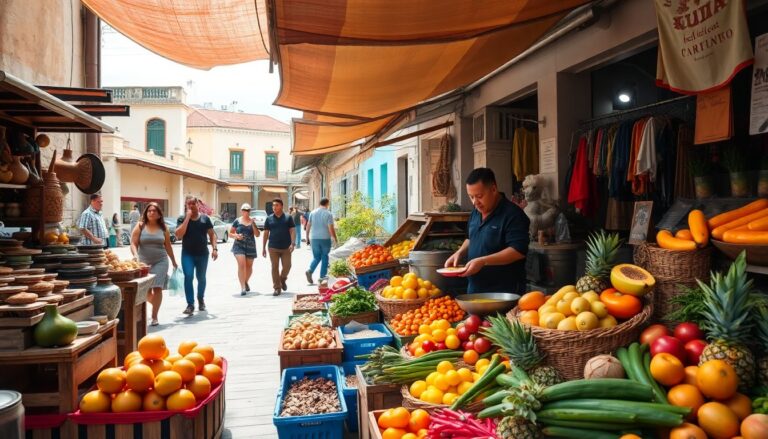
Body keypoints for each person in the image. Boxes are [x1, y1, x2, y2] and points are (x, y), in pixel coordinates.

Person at [445, 168, 530, 294]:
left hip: (504, 294)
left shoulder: (513, 215)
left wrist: (483, 261)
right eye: (471, 197)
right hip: (474, 290)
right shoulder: (475, 213)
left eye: (479, 196)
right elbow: (470, 238)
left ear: (494, 189)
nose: (475, 202)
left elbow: (518, 251)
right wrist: (460, 252)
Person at [130, 202, 178, 326]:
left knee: (158, 288)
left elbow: (168, 246)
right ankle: (153, 302)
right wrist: (135, 255)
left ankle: (154, 316)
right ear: (146, 213)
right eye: (149, 211)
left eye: (154, 211)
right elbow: (133, 243)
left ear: (158, 214)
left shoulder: (164, 228)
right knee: (146, 290)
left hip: (161, 261)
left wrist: (173, 261)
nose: (151, 213)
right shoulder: (140, 226)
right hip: (143, 262)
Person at [175, 196, 218, 315]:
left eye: (193, 203)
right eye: (188, 204)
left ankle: (200, 298)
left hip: (202, 254)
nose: (191, 206)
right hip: (187, 254)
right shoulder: (182, 219)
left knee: (201, 278)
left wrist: (214, 248)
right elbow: (179, 235)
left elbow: (212, 234)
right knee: (188, 276)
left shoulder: (205, 219)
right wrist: (187, 217)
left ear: (198, 204)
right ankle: (190, 304)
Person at [262, 198, 295, 296]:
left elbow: (293, 231)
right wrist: (263, 247)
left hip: (286, 248)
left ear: (281, 206)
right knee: (274, 267)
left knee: (287, 266)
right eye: (273, 205)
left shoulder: (288, 218)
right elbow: (265, 234)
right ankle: (277, 288)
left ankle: (282, 279)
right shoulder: (269, 218)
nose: (274, 207)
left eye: (276, 205)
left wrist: (293, 243)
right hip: (273, 247)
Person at [305, 198, 337, 284]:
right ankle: (322, 277)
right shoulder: (328, 214)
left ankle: (310, 270)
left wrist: (307, 237)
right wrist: (334, 238)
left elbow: (308, 225)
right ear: (327, 204)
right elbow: (331, 227)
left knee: (316, 257)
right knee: (324, 257)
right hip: (325, 239)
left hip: (314, 238)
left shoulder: (313, 212)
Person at [230, 203, 260, 296]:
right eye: (245, 210)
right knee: (242, 265)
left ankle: (245, 281)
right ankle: (242, 287)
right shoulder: (237, 221)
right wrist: (236, 236)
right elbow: (230, 233)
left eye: (248, 210)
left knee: (249, 266)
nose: (246, 212)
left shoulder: (252, 221)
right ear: (242, 211)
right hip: (239, 245)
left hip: (250, 246)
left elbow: (258, 234)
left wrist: (253, 224)